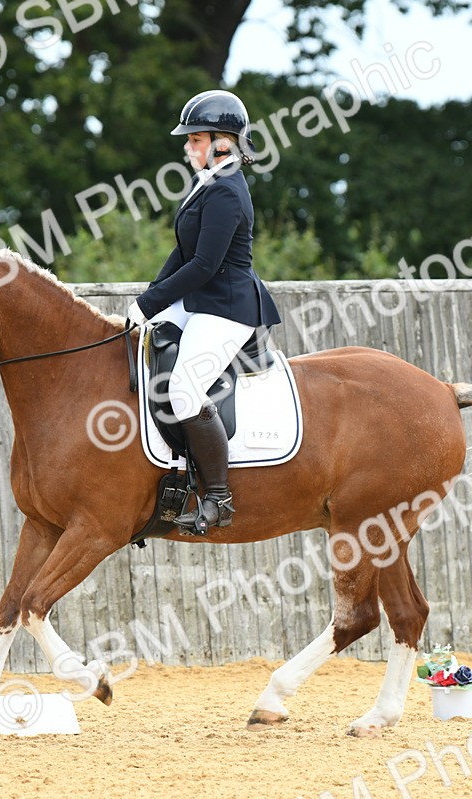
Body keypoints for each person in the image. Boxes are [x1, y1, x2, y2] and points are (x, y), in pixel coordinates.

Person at [126, 89, 282, 534]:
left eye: (194, 139)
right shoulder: (207, 183)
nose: (187, 147)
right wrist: (148, 300)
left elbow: (204, 265)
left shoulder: (228, 191)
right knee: (139, 347)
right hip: (199, 299)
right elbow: (182, 253)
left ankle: (218, 497)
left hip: (226, 307)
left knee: (184, 390)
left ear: (222, 141)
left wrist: (151, 302)